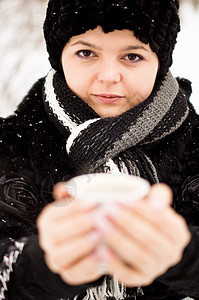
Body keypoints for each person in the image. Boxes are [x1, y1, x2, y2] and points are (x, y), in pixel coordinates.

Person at [0, 0, 199, 299]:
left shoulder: (194, 147)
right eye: (86, 53)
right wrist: (40, 266)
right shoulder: (11, 144)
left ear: (160, 61)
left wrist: (184, 257)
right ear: (59, 56)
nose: (108, 76)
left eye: (132, 56)